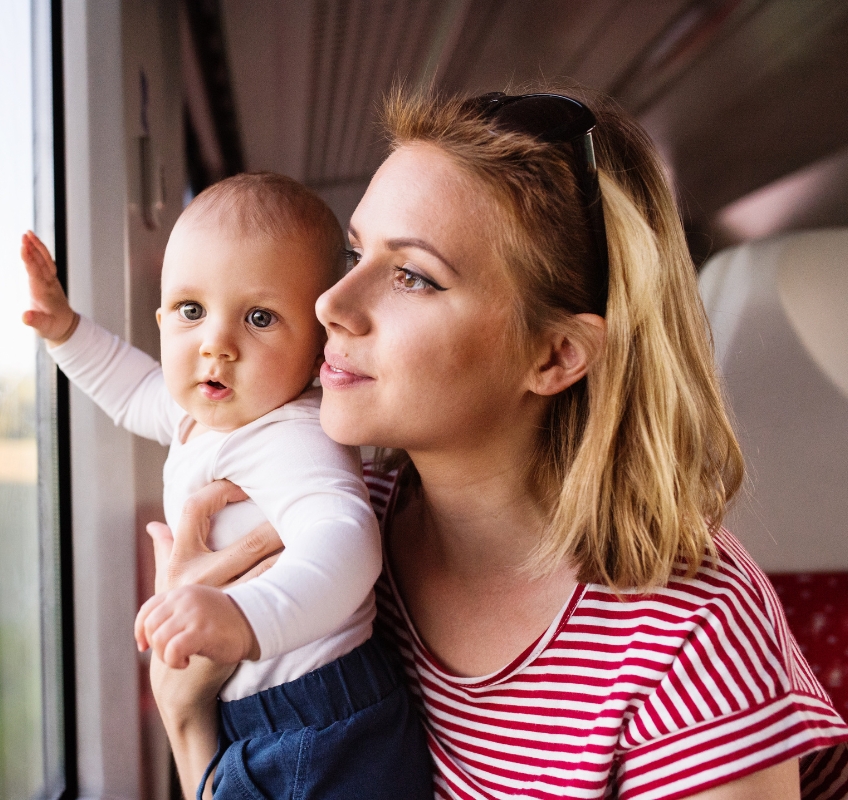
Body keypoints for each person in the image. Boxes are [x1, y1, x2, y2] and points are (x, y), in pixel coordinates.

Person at [148, 88, 848, 799]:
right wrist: (186, 714)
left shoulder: (690, 630)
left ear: (555, 356)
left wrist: (187, 723)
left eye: (413, 276)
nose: (330, 303)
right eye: (354, 253)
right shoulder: (307, 535)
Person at [20, 172, 433, 799]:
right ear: (160, 317)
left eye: (260, 318)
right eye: (191, 311)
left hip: (319, 726)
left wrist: (244, 616)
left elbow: (348, 540)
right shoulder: (203, 414)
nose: (217, 344)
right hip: (263, 716)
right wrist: (65, 331)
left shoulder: (292, 434)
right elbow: (133, 391)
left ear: (321, 343)